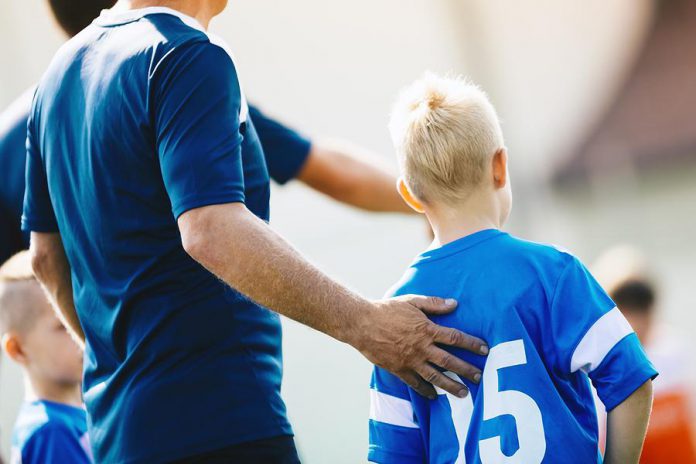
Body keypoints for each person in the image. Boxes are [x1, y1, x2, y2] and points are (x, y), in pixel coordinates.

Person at [22, 1, 488, 463]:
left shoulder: (57, 79)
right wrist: (367, 325)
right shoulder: (185, 54)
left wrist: (121, 357)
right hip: (220, 427)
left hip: (119, 436)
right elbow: (210, 230)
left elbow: (45, 257)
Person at [367, 74, 657, 463]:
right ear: (500, 166)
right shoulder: (553, 272)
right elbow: (631, 381)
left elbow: (392, 454)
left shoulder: (397, 316)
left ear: (409, 195)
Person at [0, 1, 411, 267]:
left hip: (94, 380)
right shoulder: (175, 78)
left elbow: (44, 260)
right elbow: (329, 171)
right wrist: (429, 199)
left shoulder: (39, 109)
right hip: (181, 374)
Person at [593, 246, 696, 463]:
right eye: (626, 302)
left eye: (642, 300)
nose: (638, 314)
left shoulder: (678, 352)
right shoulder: (598, 369)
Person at [0, 252, 91, 464]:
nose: (80, 331)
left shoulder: (69, 418)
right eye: (63, 326)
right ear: (18, 349)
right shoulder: (50, 432)